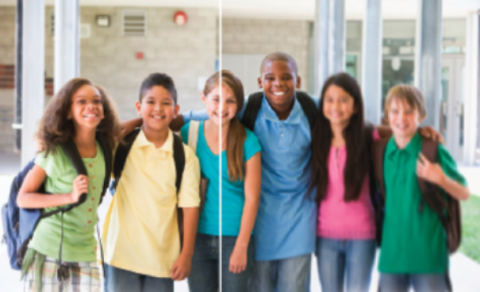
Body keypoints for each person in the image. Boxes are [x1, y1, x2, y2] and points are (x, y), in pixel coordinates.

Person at [17, 78, 121, 292]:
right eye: (81, 101)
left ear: (103, 111)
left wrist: (145, 118)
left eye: (96, 101)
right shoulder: (53, 151)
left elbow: (125, 129)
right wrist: (69, 197)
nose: (91, 105)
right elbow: (23, 197)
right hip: (47, 250)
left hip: (86, 252)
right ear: (67, 112)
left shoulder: (107, 147)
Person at [102, 73, 201, 292]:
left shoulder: (184, 156)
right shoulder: (123, 146)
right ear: (139, 106)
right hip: (120, 255)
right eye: (150, 102)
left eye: (166, 103)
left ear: (175, 110)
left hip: (161, 260)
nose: (158, 108)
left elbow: (191, 208)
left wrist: (186, 254)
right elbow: (92, 139)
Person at [377, 85, 469, 292]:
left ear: (422, 115)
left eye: (409, 111)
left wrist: (441, 178)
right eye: (395, 111)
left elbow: (463, 192)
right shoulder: (381, 152)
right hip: (391, 258)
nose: (401, 118)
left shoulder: (432, 150)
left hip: (429, 257)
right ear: (387, 115)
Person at [180, 70, 261, 292]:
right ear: (203, 98)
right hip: (197, 237)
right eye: (216, 99)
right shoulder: (189, 134)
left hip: (235, 237)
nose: (222, 107)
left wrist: (242, 245)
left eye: (230, 101)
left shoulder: (248, 141)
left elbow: (253, 198)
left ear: (239, 105)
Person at [310, 72, 378, 292]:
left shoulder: (369, 137)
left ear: (356, 106)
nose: (335, 106)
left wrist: (424, 131)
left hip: (362, 236)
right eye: (329, 100)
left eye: (343, 100)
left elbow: (398, 135)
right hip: (325, 236)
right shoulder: (316, 139)